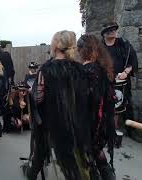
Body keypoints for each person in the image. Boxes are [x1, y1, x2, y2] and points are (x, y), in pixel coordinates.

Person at [23, 30, 92, 180]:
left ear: (55, 45)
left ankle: (31, 174)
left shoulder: (46, 69)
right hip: (75, 122)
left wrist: (32, 91)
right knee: (74, 158)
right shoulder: (80, 69)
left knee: (41, 150)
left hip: (52, 124)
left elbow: (39, 98)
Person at [77, 34, 116, 180]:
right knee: (99, 154)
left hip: (90, 124)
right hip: (104, 122)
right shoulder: (104, 70)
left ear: (82, 50)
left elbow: (87, 102)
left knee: (89, 159)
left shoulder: (85, 71)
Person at [101, 22, 140, 142]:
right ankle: (104, 132)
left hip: (122, 81)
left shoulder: (123, 44)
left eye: (114, 29)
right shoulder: (100, 47)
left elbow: (132, 60)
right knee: (105, 107)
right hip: (106, 82)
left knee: (127, 105)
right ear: (104, 34)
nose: (112, 31)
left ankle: (131, 132)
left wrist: (126, 72)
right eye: (109, 30)